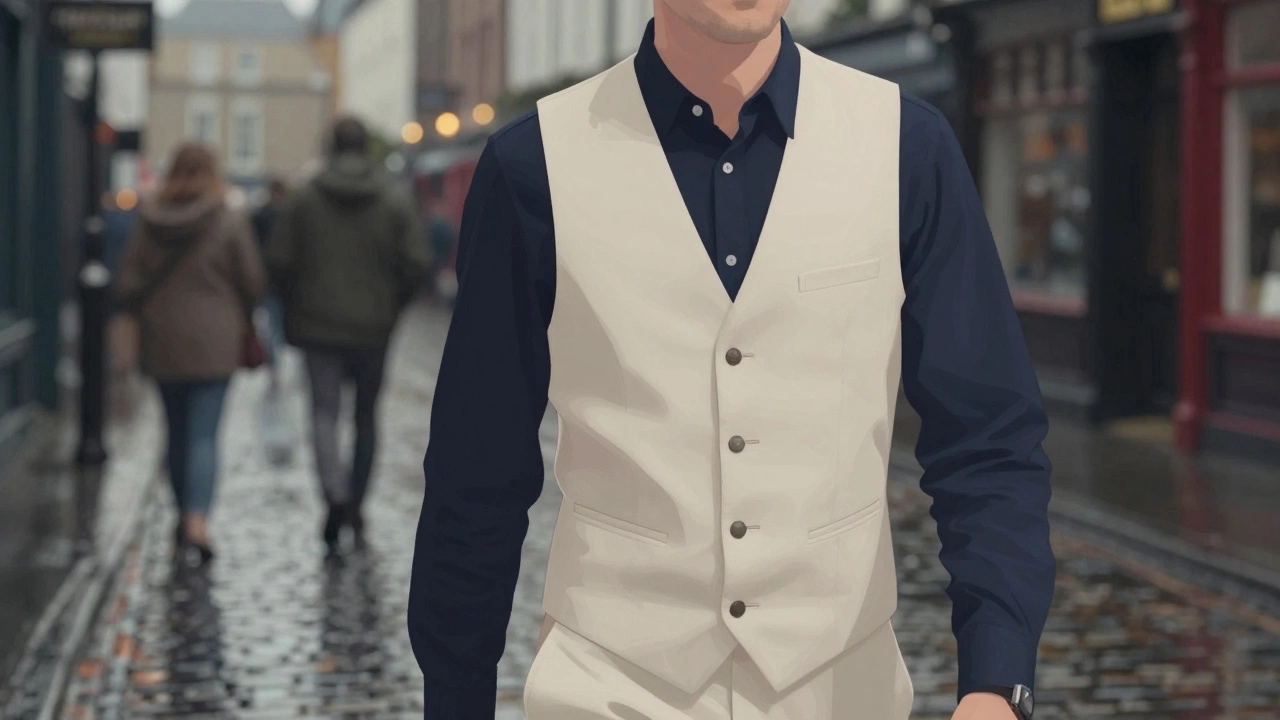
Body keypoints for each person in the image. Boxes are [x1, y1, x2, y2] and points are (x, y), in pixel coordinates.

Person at [408, 1, 1056, 719]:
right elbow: (477, 472)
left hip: (843, 688)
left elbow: (989, 438)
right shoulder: (533, 165)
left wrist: (998, 682)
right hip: (607, 686)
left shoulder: (907, 146)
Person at [267, 117, 430, 555]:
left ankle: (334, 494)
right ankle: (357, 502)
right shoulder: (394, 200)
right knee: (365, 418)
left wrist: (297, 304)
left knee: (323, 413)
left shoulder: (304, 200)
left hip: (317, 325)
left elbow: (279, 262)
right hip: (373, 329)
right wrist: (392, 305)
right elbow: (417, 263)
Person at [116, 143, 265, 564]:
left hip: (163, 337)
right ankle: (197, 520)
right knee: (204, 434)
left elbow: (128, 283)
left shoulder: (149, 219)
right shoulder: (229, 217)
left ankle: (182, 512)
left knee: (175, 431)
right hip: (216, 338)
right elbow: (252, 281)